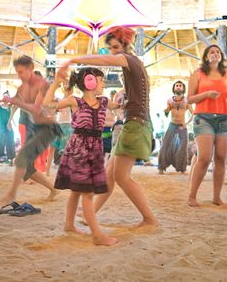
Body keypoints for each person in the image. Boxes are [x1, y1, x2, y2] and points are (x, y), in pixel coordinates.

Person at [57, 26, 156, 228]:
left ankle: (149, 218)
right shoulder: (136, 64)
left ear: (126, 45)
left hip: (136, 124)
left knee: (120, 176)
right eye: (111, 47)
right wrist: (123, 93)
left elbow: (104, 61)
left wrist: (74, 60)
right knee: (110, 174)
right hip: (136, 122)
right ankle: (89, 213)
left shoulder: (128, 59)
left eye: (116, 47)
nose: (114, 52)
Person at [43, 67, 119, 246]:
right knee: (87, 193)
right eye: (101, 80)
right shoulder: (74, 101)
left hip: (95, 148)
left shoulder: (104, 101)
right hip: (79, 148)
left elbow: (119, 106)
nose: (103, 84)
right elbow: (48, 104)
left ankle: (69, 225)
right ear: (89, 82)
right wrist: (55, 83)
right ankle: (97, 235)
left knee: (77, 190)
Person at [0, 55, 62, 206]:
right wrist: (7, 101)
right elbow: (15, 102)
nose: (19, 75)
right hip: (34, 128)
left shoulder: (42, 85)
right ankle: (53, 189)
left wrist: (15, 101)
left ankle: (11, 194)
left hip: (48, 128)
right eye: (17, 72)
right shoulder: (22, 88)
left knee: (21, 159)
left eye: (21, 72)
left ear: (30, 68)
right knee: (27, 169)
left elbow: (35, 108)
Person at [187, 44, 227, 207]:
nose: (215, 54)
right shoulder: (198, 74)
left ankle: (216, 197)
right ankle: (192, 196)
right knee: (204, 158)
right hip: (203, 118)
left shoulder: (226, 74)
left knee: (220, 158)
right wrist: (207, 94)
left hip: (224, 119)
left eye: (218, 52)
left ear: (221, 57)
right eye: (212, 52)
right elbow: (189, 99)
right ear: (205, 57)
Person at [158, 81, 193, 174]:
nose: (178, 87)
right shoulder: (169, 100)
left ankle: (182, 169)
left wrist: (186, 124)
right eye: (176, 86)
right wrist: (165, 111)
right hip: (172, 125)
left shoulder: (187, 100)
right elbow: (167, 113)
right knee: (165, 145)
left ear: (183, 88)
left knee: (182, 147)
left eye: (180, 86)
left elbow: (193, 114)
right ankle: (161, 168)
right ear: (174, 88)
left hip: (182, 126)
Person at [45, 80, 74, 176]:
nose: (65, 85)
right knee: (51, 149)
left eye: (67, 84)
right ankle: (47, 171)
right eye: (64, 84)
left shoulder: (71, 98)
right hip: (58, 125)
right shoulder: (59, 99)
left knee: (66, 151)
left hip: (67, 126)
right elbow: (51, 112)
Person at [0, 91, 15, 167]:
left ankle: (11, 161)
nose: (5, 98)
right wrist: (1, 100)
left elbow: (12, 117)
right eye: (4, 96)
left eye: (7, 96)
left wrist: (14, 126)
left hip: (9, 127)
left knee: (10, 143)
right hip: (0, 127)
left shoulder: (11, 107)